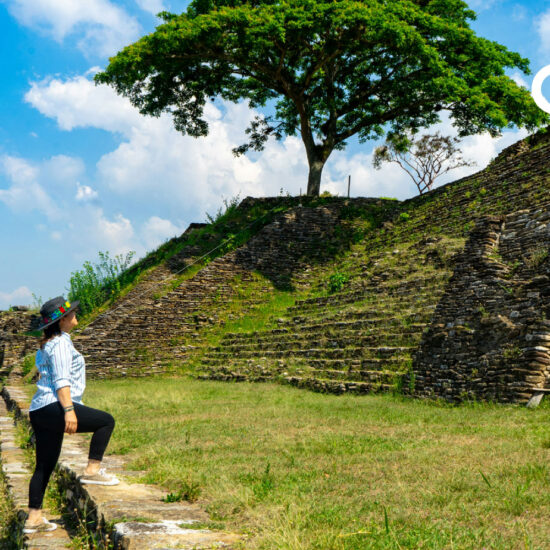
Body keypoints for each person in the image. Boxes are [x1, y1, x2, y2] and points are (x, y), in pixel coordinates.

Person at [23, 296, 119, 535]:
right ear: (63, 319)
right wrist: (69, 411)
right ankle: (92, 471)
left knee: (44, 465)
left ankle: (33, 518)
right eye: (72, 312)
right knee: (106, 421)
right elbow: (61, 381)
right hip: (56, 405)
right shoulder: (62, 344)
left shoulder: (48, 344)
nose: (76, 314)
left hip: (39, 409)